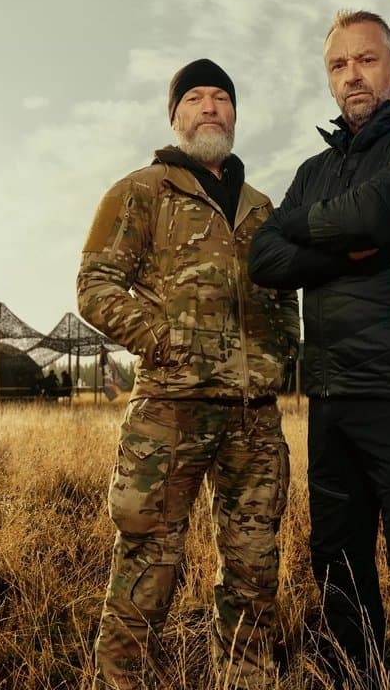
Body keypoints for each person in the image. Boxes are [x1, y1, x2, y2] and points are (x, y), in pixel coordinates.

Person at [249, 10, 390, 689]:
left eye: (367, 59)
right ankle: (354, 677)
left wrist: (309, 230)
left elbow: (376, 214)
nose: (353, 75)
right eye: (338, 65)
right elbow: (264, 256)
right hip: (330, 395)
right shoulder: (314, 170)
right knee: (336, 564)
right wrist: (347, 245)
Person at [78, 58, 300, 689]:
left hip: (253, 418)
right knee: (149, 561)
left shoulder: (262, 208)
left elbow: (284, 293)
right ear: (175, 116)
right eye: (194, 98)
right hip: (169, 412)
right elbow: (95, 285)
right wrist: (162, 341)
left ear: (234, 115)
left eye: (221, 98)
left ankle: (248, 678)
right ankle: (122, 680)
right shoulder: (141, 191)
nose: (209, 107)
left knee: (255, 567)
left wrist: (280, 352)